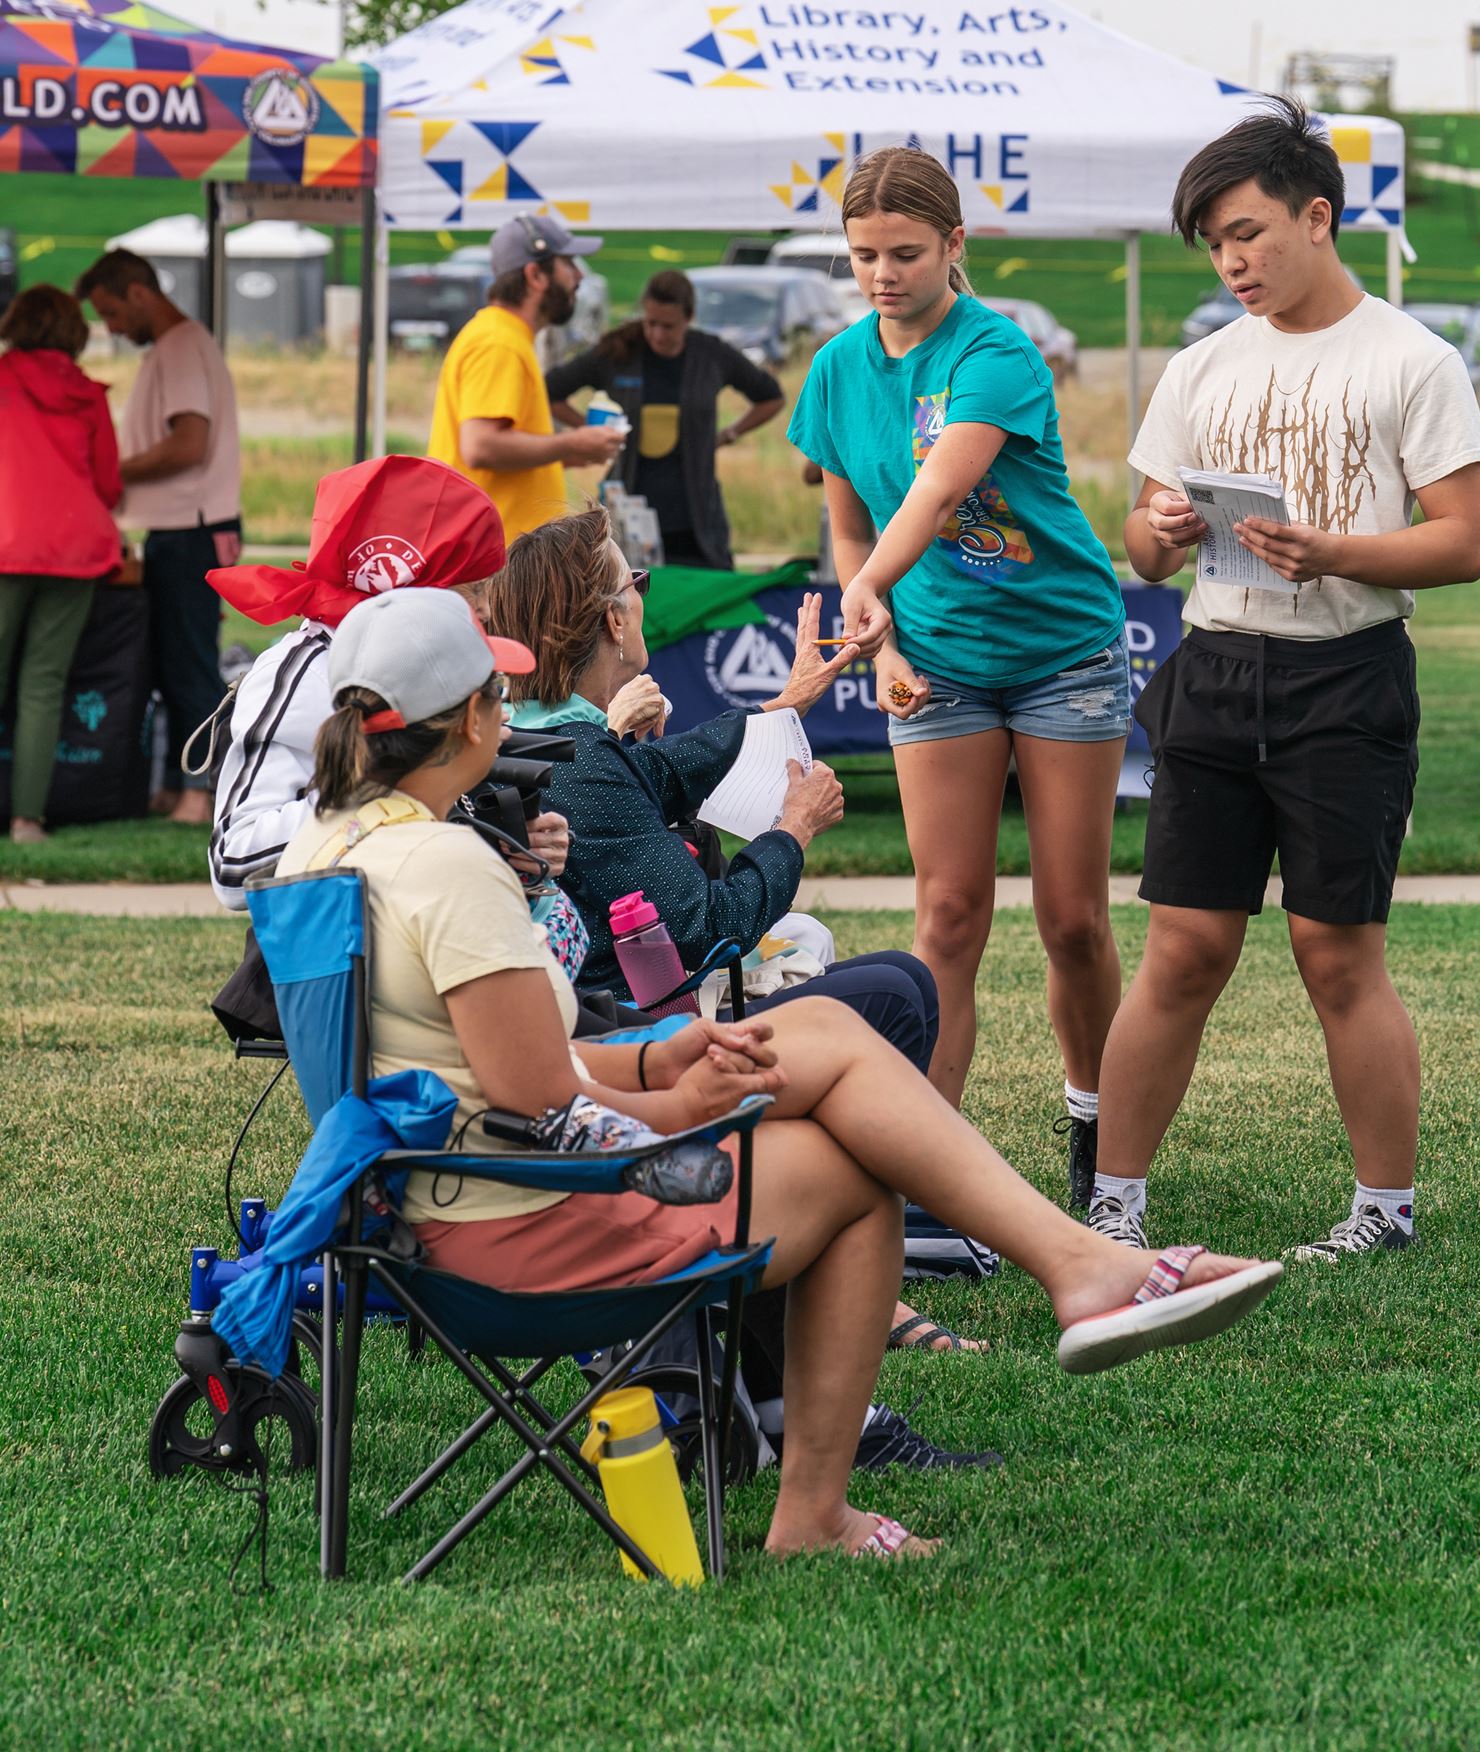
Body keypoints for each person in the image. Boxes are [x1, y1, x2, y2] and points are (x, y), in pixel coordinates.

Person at [277, 583, 1281, 1560]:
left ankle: (1078, 1267)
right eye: (496, 694)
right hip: (522, 1233)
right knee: (853, 1176)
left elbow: (485, 1064)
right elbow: (543, 1104)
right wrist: (677, 1099)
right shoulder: (449, 870)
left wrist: (657, 1049)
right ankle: (828, 1498)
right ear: (465, 721)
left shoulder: (326, 848)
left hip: (422, 1216)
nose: (511, 707)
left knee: (824, 1040)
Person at [1090, 98, 1480, 1264]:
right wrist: (1155, 528)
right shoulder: (1201, 364)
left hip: (1344, 678)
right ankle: (1113, 1200)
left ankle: (1382, 1212)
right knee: (1181, 948)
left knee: (1336, 954)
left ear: (1318, 217)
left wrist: (1333, 550)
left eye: (1249, 231)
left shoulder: (1412, 359)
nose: (1232, 260)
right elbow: (1139, 541)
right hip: (1212, 668)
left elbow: (1462, 540)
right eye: (1214, 241)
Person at [489, 507, 991, 1359]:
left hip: (601, 1038)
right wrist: (792, 831)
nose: (643, 599)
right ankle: (846, 1250)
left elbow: (662, 768)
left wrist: (790, 700)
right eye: (635, 583)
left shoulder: (546, 737)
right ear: (614, 618)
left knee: (882, 986)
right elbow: (706, 928)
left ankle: (868, 1237)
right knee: (897, 994)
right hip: (646, 1041)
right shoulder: (584, 764)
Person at [789, 148, 1130, 1211]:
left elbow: (938, 490)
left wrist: (868, 589)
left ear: (953, 246)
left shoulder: (997, 350)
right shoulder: (838, 367)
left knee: (1071, 916)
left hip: (1060, 651)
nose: (881, 274)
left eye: (903, 253)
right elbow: (847, 523)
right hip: (932, 659)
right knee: (946, 912)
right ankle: (925, 1177)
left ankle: (1096, 1127)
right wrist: (881, 644)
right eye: (862, 256)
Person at [206, 453, 543, 906]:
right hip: (341, 959)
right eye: (471, 590)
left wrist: (505, 835)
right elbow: (234, 866)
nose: (485, 610)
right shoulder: (304, 676)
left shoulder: (432, 660)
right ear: (404, 586)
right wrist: (395, 784)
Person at [75, 246, 242, 826]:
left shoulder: (183, 347)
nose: (113, 329)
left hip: (195, 526)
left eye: (113, 313)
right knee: (172, 661)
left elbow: (188, 444)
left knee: (192, 663)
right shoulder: (174, 350)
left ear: (139, 292)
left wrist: (109, 474)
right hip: (177, 524)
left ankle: (201, 792)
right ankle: (175, 785)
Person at [547, 269, 785, 569]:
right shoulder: (620, 351)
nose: (658, 334)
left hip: (696, 522)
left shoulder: (711, 354)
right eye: (651, 323)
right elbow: (550, 390)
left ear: (689, 317)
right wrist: (589, 431)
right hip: (626, 518)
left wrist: (729, 434)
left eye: (668, 326)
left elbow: (772, 396)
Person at [0, 285, 125, 843]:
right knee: (43, 684)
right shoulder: (89, 395)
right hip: (76, 547)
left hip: (5, 542)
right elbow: (108, 485)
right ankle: (28, 820)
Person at [427, 212, 622, 545]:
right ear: (535, 275)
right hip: (493, 565)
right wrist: (571, 443)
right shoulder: (498, 342)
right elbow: (480, 445)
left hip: (497, 560)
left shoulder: (506, 337)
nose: (578, 277)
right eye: (569, 263)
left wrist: (560, 454)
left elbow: (498, 449)